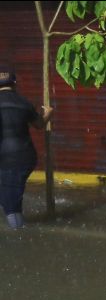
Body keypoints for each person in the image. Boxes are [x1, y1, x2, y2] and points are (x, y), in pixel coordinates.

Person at [0, 66, 53, 229]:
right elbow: (39, 124)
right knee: (10, 196)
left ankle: (20, 238)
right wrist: (48, 114)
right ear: (14, 84)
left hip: (6, 159)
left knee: (10, 202)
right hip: (23, 158)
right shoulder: (24, 103)